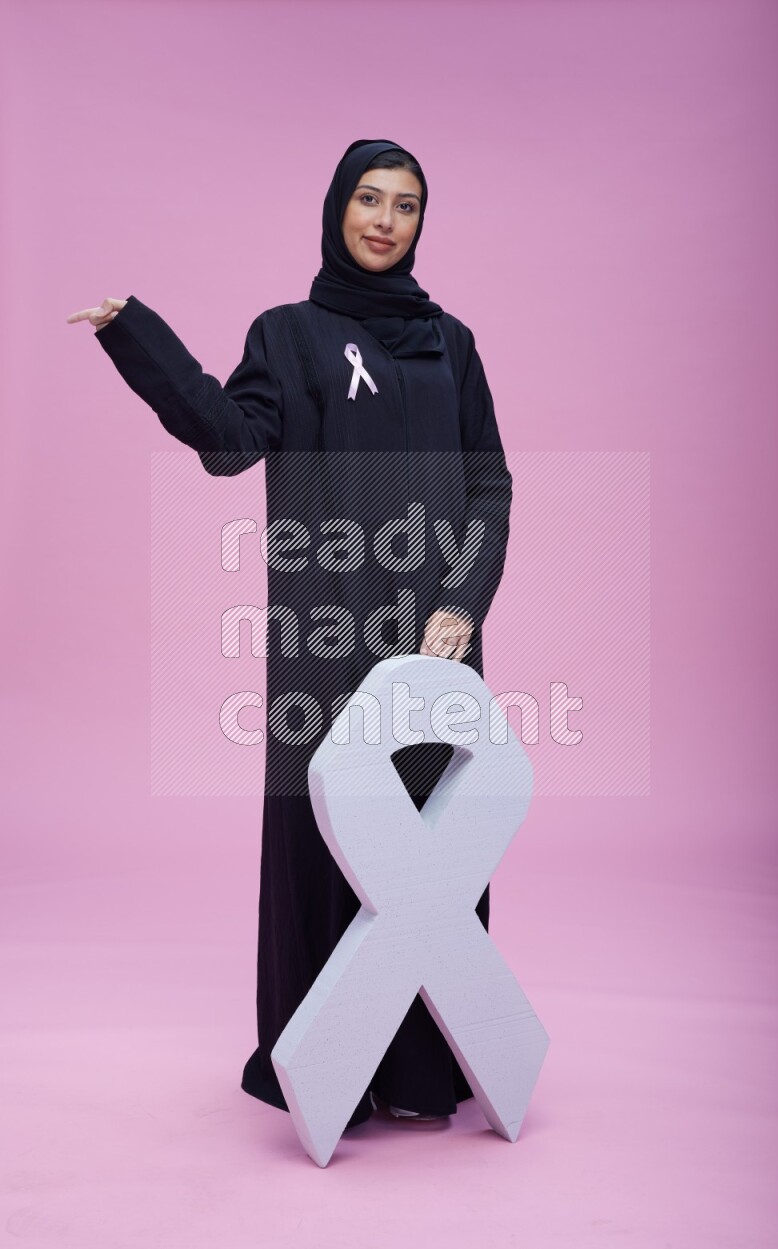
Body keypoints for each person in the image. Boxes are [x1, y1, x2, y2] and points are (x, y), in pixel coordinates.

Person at [67, 138, 513, 1127]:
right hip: (330, 638)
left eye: (404, 205)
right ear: (336, 207)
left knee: (436, 853)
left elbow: (488, 484)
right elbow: (229, 440)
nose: (384, 219)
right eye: (368, 197)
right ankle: (328, 1072)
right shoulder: (290, 335)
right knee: (330, 847)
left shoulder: (454, 345)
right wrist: (134, 333)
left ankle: (423, 1073)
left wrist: (461, 601)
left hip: (437, 645)